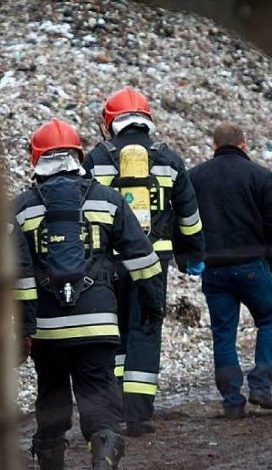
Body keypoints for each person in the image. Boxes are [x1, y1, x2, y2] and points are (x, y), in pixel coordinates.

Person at [12, 118, 165, 470]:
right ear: (79, 157)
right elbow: (143, 259)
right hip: (98, 322)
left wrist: (22, 329)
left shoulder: (22, 208)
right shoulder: (107, 199)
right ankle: (102, 466)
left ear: (37, 159)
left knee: (53, 396)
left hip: (46, 329)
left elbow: (12, 273)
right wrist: (152, 306)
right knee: (99, 395)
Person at [83, 86, 205, 437]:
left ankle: (115, 407)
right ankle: (139, 415)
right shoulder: (169, 159)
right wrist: (192, 255)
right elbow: (189, 215)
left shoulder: (97, 158)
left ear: (110, 122)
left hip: (108, 264)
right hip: (154, 262)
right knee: (146, 329)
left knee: (114, 331)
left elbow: (85, 208)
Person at [187, 121, 272, 417]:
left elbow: (182, 219)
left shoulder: (195, 177)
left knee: (223, 333)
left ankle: (232, 401)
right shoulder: (260, 175)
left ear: (214, 147)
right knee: (269, 319)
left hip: (214, 269)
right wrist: (268, 255)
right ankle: (261, 384)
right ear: (244, 145)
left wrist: (191, 257)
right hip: (252, 265)